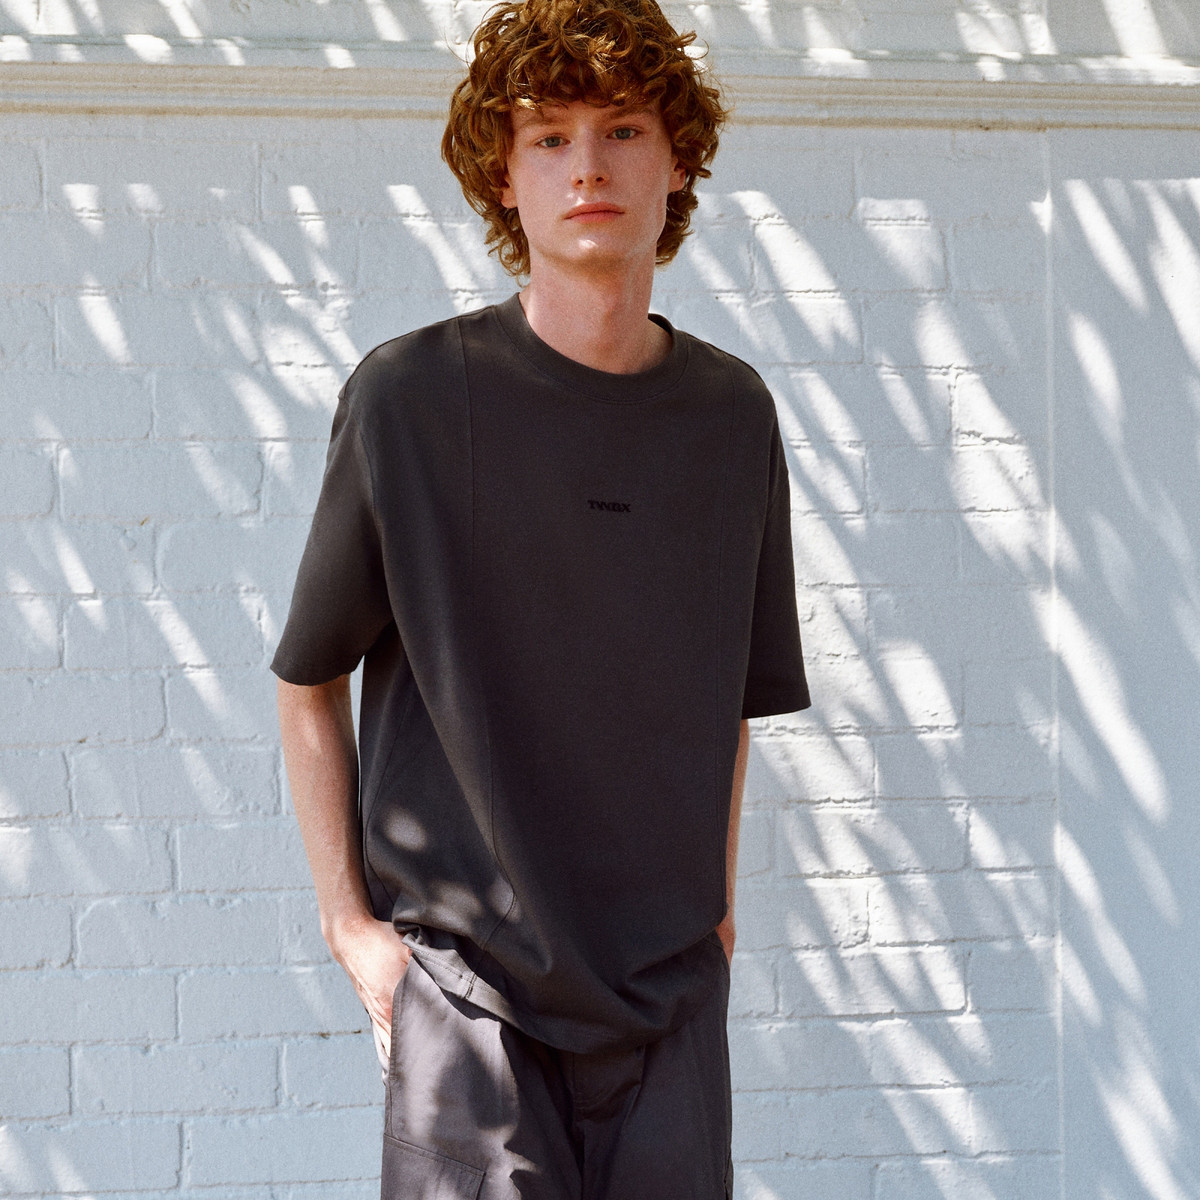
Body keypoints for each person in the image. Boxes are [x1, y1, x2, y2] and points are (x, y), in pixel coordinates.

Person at [272, 0, 810, 1194]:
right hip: (471, 995)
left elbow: (730, 692)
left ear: (677, 160)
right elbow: (308, 681)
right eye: (549, 138)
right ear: (504, 180)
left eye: (622, 130)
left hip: (667, 997)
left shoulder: (731, 418)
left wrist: (716, 915)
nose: (588, 168)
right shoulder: (409, 401)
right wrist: (353, 932)